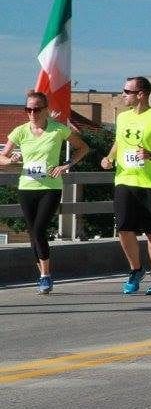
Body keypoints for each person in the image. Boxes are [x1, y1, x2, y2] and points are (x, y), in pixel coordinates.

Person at [0, 90, 89, 294]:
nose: (32, 113)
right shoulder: (20, 131)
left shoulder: (58, 130)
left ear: (46, 110)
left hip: (50, 187)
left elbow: (83, 148)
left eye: (36, 109)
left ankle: (46, 275)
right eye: (28, 109)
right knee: (33, 233)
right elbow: (1, 158)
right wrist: (10, 160)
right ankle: (42, 275)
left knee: (39, 229)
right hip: (27, 187)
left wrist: (66, 165)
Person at [101, 76, 151, 295]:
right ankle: (136, 270)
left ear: (141, 94)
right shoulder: (123, 117)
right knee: (124, 228)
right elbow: (119, 142)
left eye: (127, 91)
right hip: (125, 180)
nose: (123, 95)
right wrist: (109, 158)